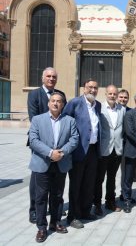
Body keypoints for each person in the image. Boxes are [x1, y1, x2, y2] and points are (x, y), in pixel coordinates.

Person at [29, 92, 78, 242]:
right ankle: (41, 228)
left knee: (57, 195)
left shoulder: (70, 120)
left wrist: (61, 153)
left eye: (59, 101)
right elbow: (33, 140)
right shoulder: (37, 119)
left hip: (61, 163)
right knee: (41, 197)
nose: (56, 103)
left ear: (63, 104)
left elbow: (74, 139)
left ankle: (55, 223)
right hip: (42, 163)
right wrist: (50, 153)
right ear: (49, 103)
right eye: (53, 101)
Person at [27, 67, 66, 224]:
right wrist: (48, 149)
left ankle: (52, 208)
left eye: (54, 77)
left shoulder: (60, 95)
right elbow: (33, 117)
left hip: (58, 145)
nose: (51, 79)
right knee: (38, 178)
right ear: (43, 78)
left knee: (55, 177)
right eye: (48, 76)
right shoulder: (34, 94)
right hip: (40, 144)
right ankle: (34, 210)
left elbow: (65, 116)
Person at [63, 79, 101, 229]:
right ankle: (73, 216)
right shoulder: (75, 103)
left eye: (95, 88)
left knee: (89, 183)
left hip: (93, 150)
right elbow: (65, 122)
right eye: (90, 87)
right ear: (84, 88)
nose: (92, 90)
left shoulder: (97, 105)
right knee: (76, 184)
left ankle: (85, 211)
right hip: (78, 150)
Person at [93, 85, 125, 216]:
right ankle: (97, 204)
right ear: (106, 94)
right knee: (99, 179)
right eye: (110, 94)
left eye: (114, 94)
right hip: (103, 149)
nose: (112, 96)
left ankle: (110, 201)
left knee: (112, 178)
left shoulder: (122, 109)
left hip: (116, 149)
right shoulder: (99, 109)